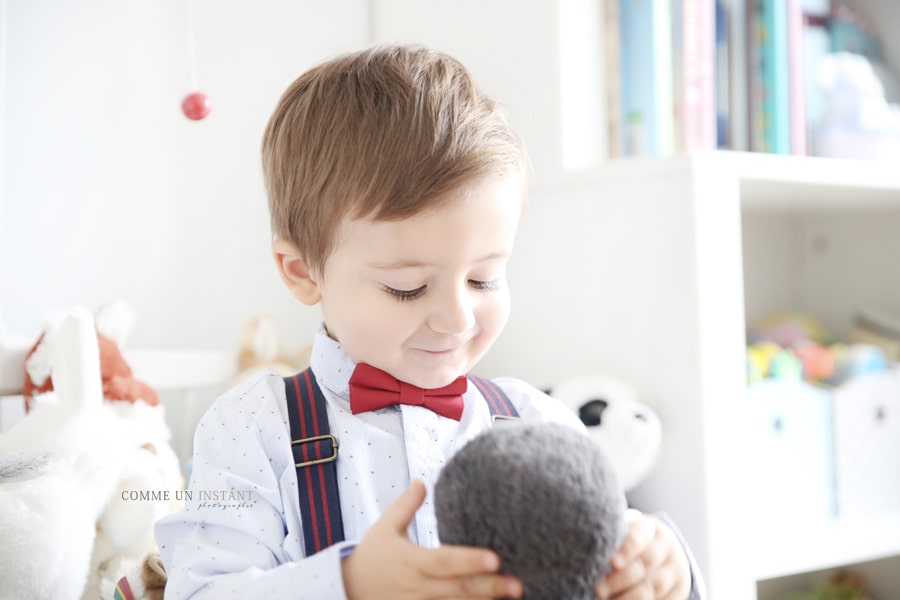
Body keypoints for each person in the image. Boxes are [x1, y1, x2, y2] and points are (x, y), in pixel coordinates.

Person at [155, 44, 704, 600]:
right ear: (303, 273)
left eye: (484, 279)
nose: (457, 318)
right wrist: (348, 584)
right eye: (408, 287)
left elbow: (608, 551)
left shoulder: (539, 423)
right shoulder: (251, 428)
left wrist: (664, 570)